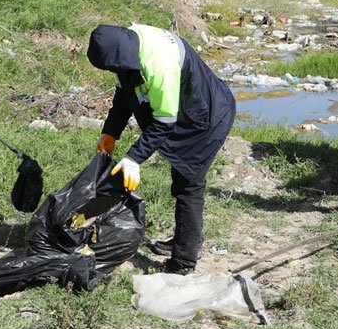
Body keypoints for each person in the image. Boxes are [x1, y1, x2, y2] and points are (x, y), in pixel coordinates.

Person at [87, 23, 236, 275]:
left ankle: (184, 262)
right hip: (187, 110)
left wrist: (134, 158)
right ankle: (186, 241)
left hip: (207, 118)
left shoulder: (159, 65)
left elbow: (165, 121)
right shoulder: (128, 45)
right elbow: (124, 94)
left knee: (188, 185)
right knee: (183, 182)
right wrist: (110, 132)